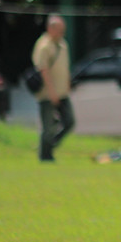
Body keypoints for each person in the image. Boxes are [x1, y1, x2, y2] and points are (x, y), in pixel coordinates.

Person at [31, 14, 74, 162]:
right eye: (59, 29)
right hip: (47, 94)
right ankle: (45, 156)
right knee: (48, 127)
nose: (62, 32)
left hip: (62, 92)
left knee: (70, 121)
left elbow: (65, 67)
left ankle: (51, 144)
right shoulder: (44, 46)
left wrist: (67, 85)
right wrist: (52, 93)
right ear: (50, 28)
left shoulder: (63, 44)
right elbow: (43, 70)